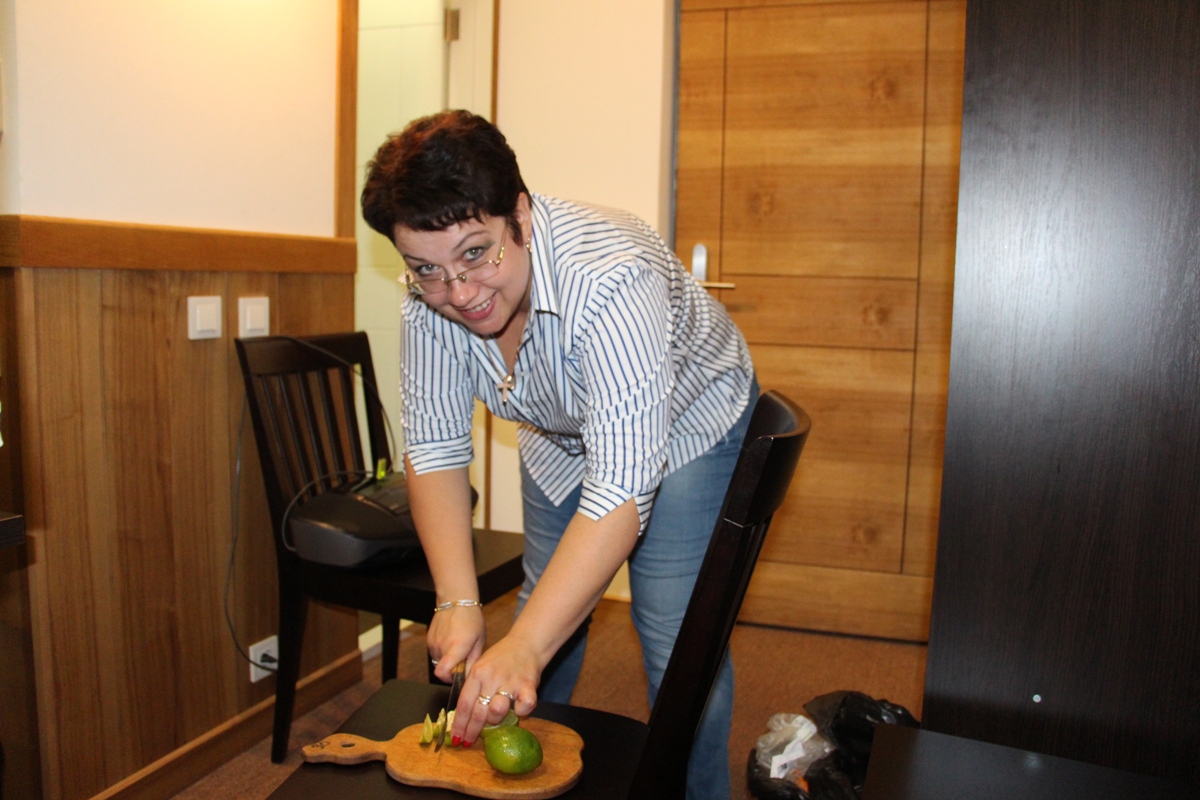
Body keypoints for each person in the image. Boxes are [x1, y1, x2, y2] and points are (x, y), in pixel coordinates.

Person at [361, 109, 756, 799]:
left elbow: (621, 485)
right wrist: (457, 599)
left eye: (476, 254)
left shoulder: (611, 278)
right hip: (558, 432)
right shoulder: (429, 301)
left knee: (674, 640)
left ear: (520, 214)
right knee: (545, 615)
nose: (459, 293)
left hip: (690, 425)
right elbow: (434, 447)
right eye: (427, 269)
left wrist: (522, 645)